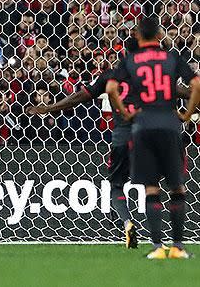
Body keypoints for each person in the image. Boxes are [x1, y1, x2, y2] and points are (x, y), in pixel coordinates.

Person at [27, 48, 190, 249]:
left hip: (123, 137)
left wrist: (49, 108)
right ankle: (163, 241)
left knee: (116, 185)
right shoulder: (155, 78)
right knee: (159, 186)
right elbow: (186, 92)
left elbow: (79, 97)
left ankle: (127, 222)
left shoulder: (111, 76)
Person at [106, 17, 200, 260]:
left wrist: (125, 113)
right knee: (177, 186)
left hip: (143, 125)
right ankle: (178, 246)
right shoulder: (171, 58)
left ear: (138, 36)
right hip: (169, 123)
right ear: (159, 35)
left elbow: (111, 89)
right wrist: (187, 114)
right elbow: (196, 85)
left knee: (151, 188)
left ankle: (158, 247)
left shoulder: (130, 60)